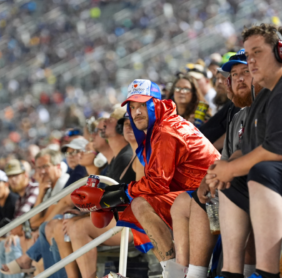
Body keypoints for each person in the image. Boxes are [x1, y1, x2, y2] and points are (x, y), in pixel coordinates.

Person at [71, 79, 220, 278]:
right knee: (138, 203)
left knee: (140, 204)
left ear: (157, 104)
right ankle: (175, 270)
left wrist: (113, 195)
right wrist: (115, 197)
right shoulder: (159, 129)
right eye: (132, 107)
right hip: (195, 195)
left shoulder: (166, 131)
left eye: (143, 105)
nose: (137, 112)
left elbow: (157, 184)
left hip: (210, 198)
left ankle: (174, 272)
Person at [206, 23, 282, 278]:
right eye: (248, 55)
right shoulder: (266, 94)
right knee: (232, 180)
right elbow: (248, 148)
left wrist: (231, 167)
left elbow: (277, 151)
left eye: (257, 53)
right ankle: (231, 273)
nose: (251, 61)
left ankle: (268, 274)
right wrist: (220, 171)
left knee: (262, 171)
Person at [170, 49, 261, 278]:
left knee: (234, 194)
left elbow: (253, 152)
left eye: (246, 72)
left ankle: (242, 273)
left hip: (263, 184)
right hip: (237, 183)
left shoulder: (267, 107)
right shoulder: (238, 115)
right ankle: (189, 274)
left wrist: (215, 176)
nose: (238, 78)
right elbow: (226, 156)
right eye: (234, 74)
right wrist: (209, 177)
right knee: (187, 200)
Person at [45, 116, 142, 278]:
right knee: (61, 225)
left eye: (132, 124)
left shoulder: (132, 155)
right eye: (125, 125)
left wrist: (98, 204)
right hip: (122, 218)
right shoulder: (124, 157)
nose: (128, 128)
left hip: (135, 222)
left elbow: (137, 194)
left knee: (76, 227)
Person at [1, 149, 69, 277]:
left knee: (38, 234)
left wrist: (37, 225)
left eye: (45, 166)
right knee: (39, 233)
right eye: (38, 168)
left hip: (64, 229)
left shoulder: (64, 182)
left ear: (58, 166)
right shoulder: (46, 187)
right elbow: (33, 221)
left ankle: (25, 261)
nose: (41, 171)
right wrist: (41, 192)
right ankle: (25, 262)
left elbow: (38, 221)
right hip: (50, 231)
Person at [102, 106, 133, 182]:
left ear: (120, 127)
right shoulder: (116, 158)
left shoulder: (125, 157)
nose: (104, 123)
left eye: (111, 120)